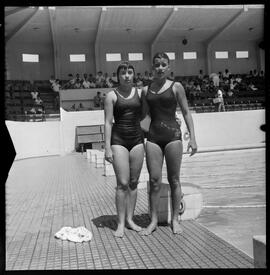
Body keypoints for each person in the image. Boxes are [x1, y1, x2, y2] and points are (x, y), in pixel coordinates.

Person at [139, 52, 197, 236]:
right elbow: (143, 118)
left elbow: (186, 112)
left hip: (173, 137)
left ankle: (174, 219)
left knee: (174, 180)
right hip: (154, 138)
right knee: (154, 181)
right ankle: (154, 220)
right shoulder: (146, 91)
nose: (160, 68)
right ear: (152, 68)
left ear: (169, 67)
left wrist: (193, 138)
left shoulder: (176, 86)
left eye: (164, 64)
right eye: (157, 65)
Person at [104, 61, 146, 238]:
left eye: (130, 72)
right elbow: (107, 122)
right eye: (123, 73)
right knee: (122, 183)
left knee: (134, 182)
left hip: (137, 139)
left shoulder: (141, 93)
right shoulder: (111, 96)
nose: (127, 75)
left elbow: (147, 114)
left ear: (133, 74)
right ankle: (120, 223)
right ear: (118, 76)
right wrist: (106, 147)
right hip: (118, 140)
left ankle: (130, 219)